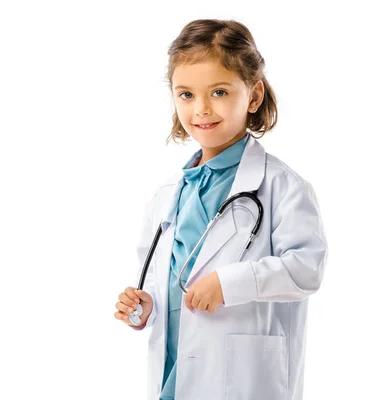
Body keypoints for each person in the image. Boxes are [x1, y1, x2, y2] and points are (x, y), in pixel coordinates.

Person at [113, 19, 328, 400]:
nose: (202, 109)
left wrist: (230, 284)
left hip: (243, 382)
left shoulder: (283, 187)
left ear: (254, 95)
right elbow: (164, 283)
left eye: (219, 91)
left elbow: (306, 269)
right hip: (174, 377)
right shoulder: (166, 195)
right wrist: (144, 306)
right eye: (186, 95)